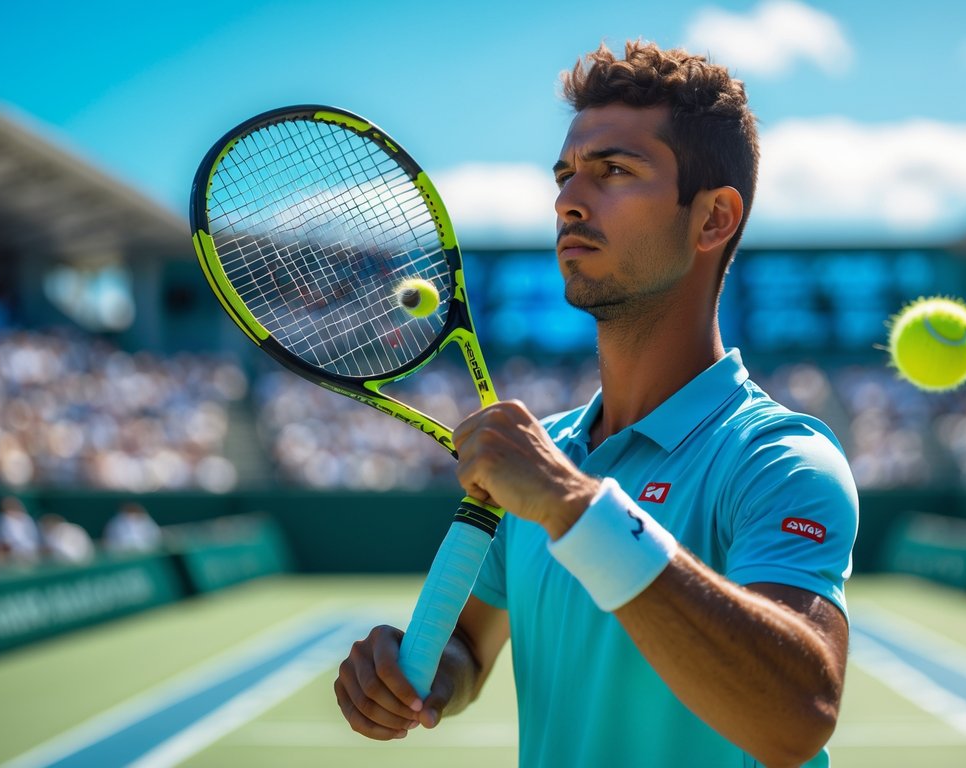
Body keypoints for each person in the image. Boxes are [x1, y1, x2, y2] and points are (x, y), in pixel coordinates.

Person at [336, 41, 858, 767]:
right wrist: (416, 674)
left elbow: (799, 716)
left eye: (614, 170)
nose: (567, 200)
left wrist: (573, 506)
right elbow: (469, 650)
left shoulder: (780, 459)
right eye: (565, 175)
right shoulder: (543, 460)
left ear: (713, 218)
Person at [0, 495, 41, 564]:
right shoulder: (1, 519)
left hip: (31, 552)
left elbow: (33, 537)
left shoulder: (26, 518)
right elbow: (0, 539)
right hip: (11, 554)